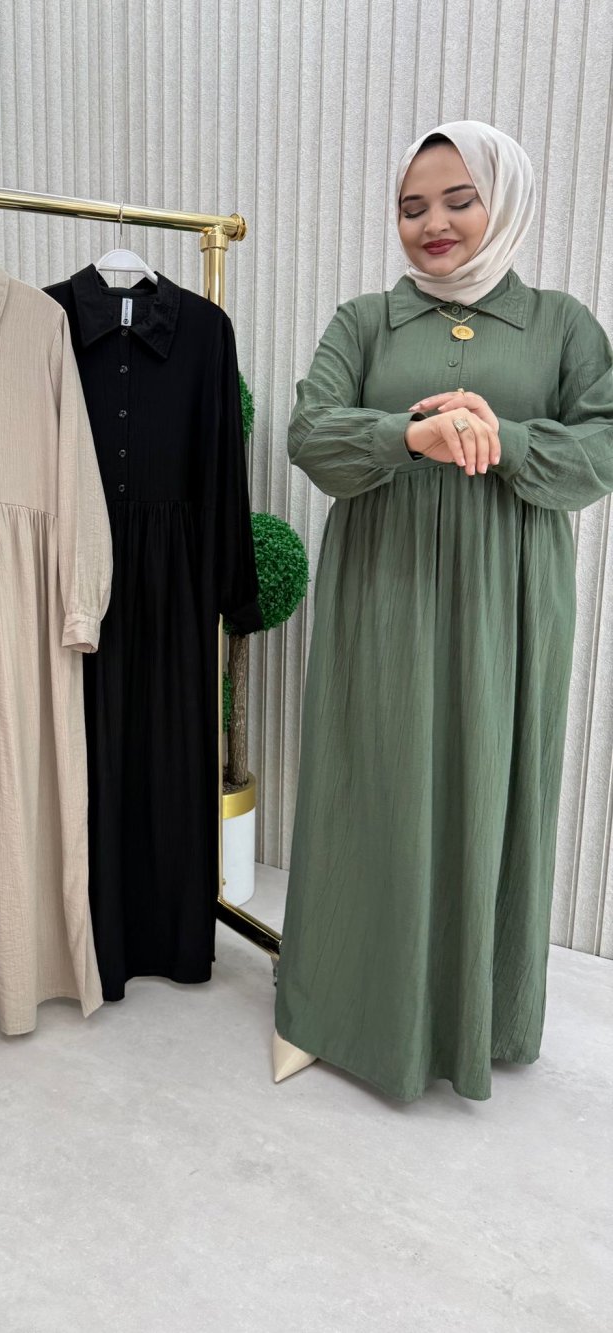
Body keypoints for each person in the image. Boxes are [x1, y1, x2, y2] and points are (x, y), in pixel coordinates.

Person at [272, 121, 613, 1101]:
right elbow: (311, 435)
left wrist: (506, 439)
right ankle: (336, 1008)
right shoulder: (364, 322)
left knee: (485, 784)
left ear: (503, 203)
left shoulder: (560, 326)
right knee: (366, 783)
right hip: (380, 593)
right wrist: (406, 435)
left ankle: (472, 1019)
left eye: (460, 200)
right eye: (411, 206)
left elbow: (600, 449)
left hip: (507, 602)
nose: (434, 224)